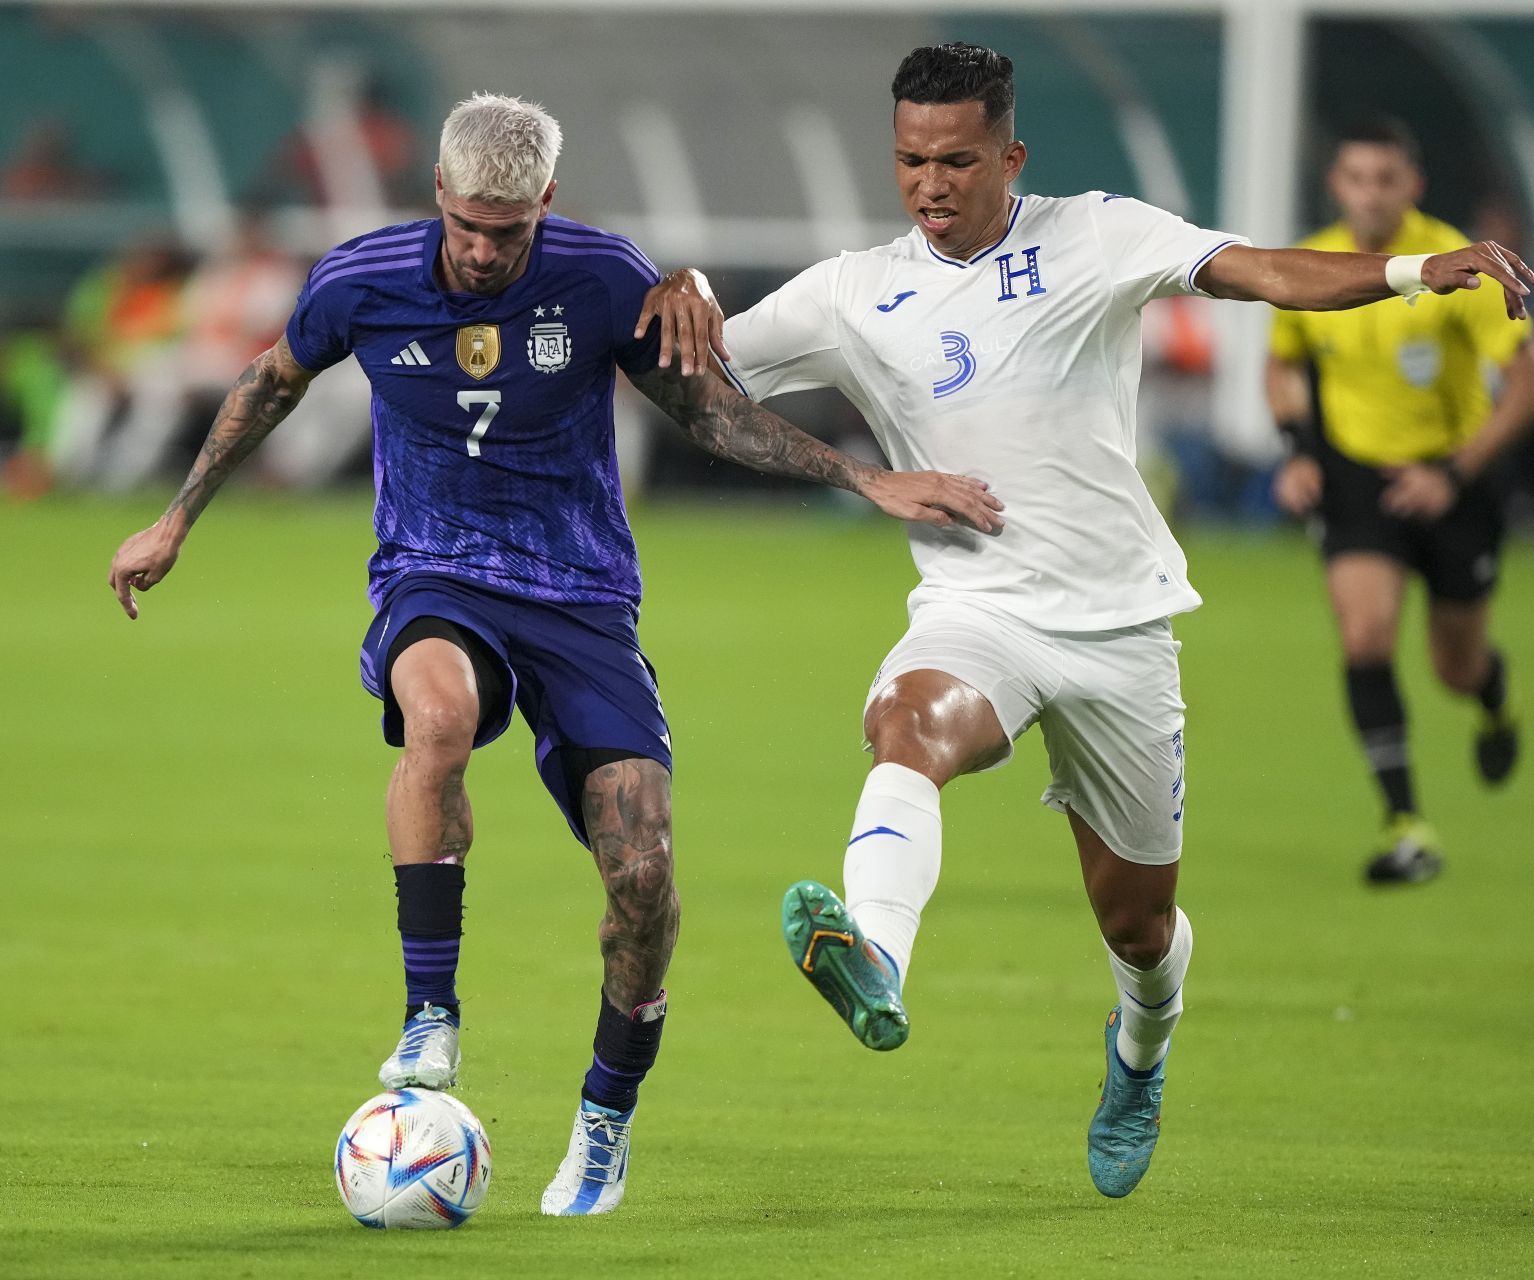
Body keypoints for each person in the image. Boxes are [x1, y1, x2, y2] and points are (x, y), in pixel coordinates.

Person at [640, 44, 1534, 1199]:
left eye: (958, 160)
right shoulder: (852, 293)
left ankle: (1139, 1049)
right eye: (912, 160)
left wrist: (1418, 268)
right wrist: (685, 289)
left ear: (1009, 156)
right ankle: (873, 953)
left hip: (1118, 629)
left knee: (1140, 926)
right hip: (978, 606)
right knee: (906, 722)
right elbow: (693, 376)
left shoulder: (1095, 235)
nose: (931, 183)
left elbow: (1264, 271)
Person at [106, 93, 1000, 1218]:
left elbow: (712, 414)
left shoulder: (602, 279)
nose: (485, 250)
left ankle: (604, 1118)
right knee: (434, 721)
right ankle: (430, 1013)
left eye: (510, 229)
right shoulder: (362, 279)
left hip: (581, 595)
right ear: (438, 193)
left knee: (644, 877)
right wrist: (175, 519)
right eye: (470, 224)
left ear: (547, 206)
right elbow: (272, 379)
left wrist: (864, 477)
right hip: (435, 570)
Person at [1265, 118, 1534, 884]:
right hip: (1358, 477)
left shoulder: (1458, 265)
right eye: (1355, 178)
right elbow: (1284, 366)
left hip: (1456, 479)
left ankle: (1494, 696)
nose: (1369, 194)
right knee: (1365, 637)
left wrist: (1454, 476)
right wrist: (1298, 452)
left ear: (1412, 186)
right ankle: (1407, 825)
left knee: (1454, 668)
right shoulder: (1318, 264)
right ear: (1337, 185)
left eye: (1384, 179)